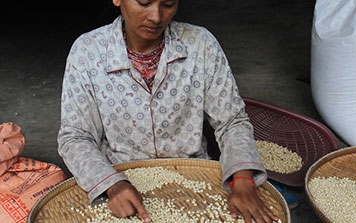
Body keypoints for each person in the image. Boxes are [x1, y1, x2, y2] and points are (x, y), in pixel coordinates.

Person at [57, 0, 279, 222]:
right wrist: (111, 183)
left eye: (168, 4)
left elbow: (232, 122)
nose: (156, 16)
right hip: (118, 178)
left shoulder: (200, 44)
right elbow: (75, 137)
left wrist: (243, 181)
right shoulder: (88, 52)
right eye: (144, 3)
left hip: (195, 177)